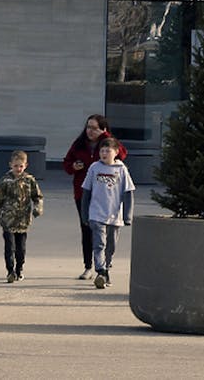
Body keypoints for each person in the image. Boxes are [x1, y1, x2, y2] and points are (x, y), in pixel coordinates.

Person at [62, 114, 127, 280]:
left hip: (106, 195)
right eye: (88, 127)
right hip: (83, 192)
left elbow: (122, 154)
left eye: (94, 128)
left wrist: (105, 138)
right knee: (87, 229)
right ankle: (88, 266)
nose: (90, 131)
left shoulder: (108, 144)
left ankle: (105, 264)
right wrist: (74, 166)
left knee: (107, 233)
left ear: (103, 129)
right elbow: (67, 163)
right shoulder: (79, 144)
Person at [79, 137, 134, 289]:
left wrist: (127, 216)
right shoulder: (94, 168)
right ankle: (100, 270)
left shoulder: (121, 169)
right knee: (99, 244)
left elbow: (128, 193)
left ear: (116, 152)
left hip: (114, 215)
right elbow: (86, 192)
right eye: (101, 151)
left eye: (107, 151)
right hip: (96, 214)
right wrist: (85, 214)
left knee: (111, 246)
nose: (104, 154)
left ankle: (106, 269)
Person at [0, 149, 44, 283]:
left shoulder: (29, 180)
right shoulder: (6, 181)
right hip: (8, 220)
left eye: (21, 166)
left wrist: (38, 208)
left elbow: (38, 196)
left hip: (23, 221)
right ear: (10, 165)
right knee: (9, 247)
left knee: (21, 249)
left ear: (25, 166)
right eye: (15, 166)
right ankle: (10, 271)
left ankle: (19, 269)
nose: (18, 169)